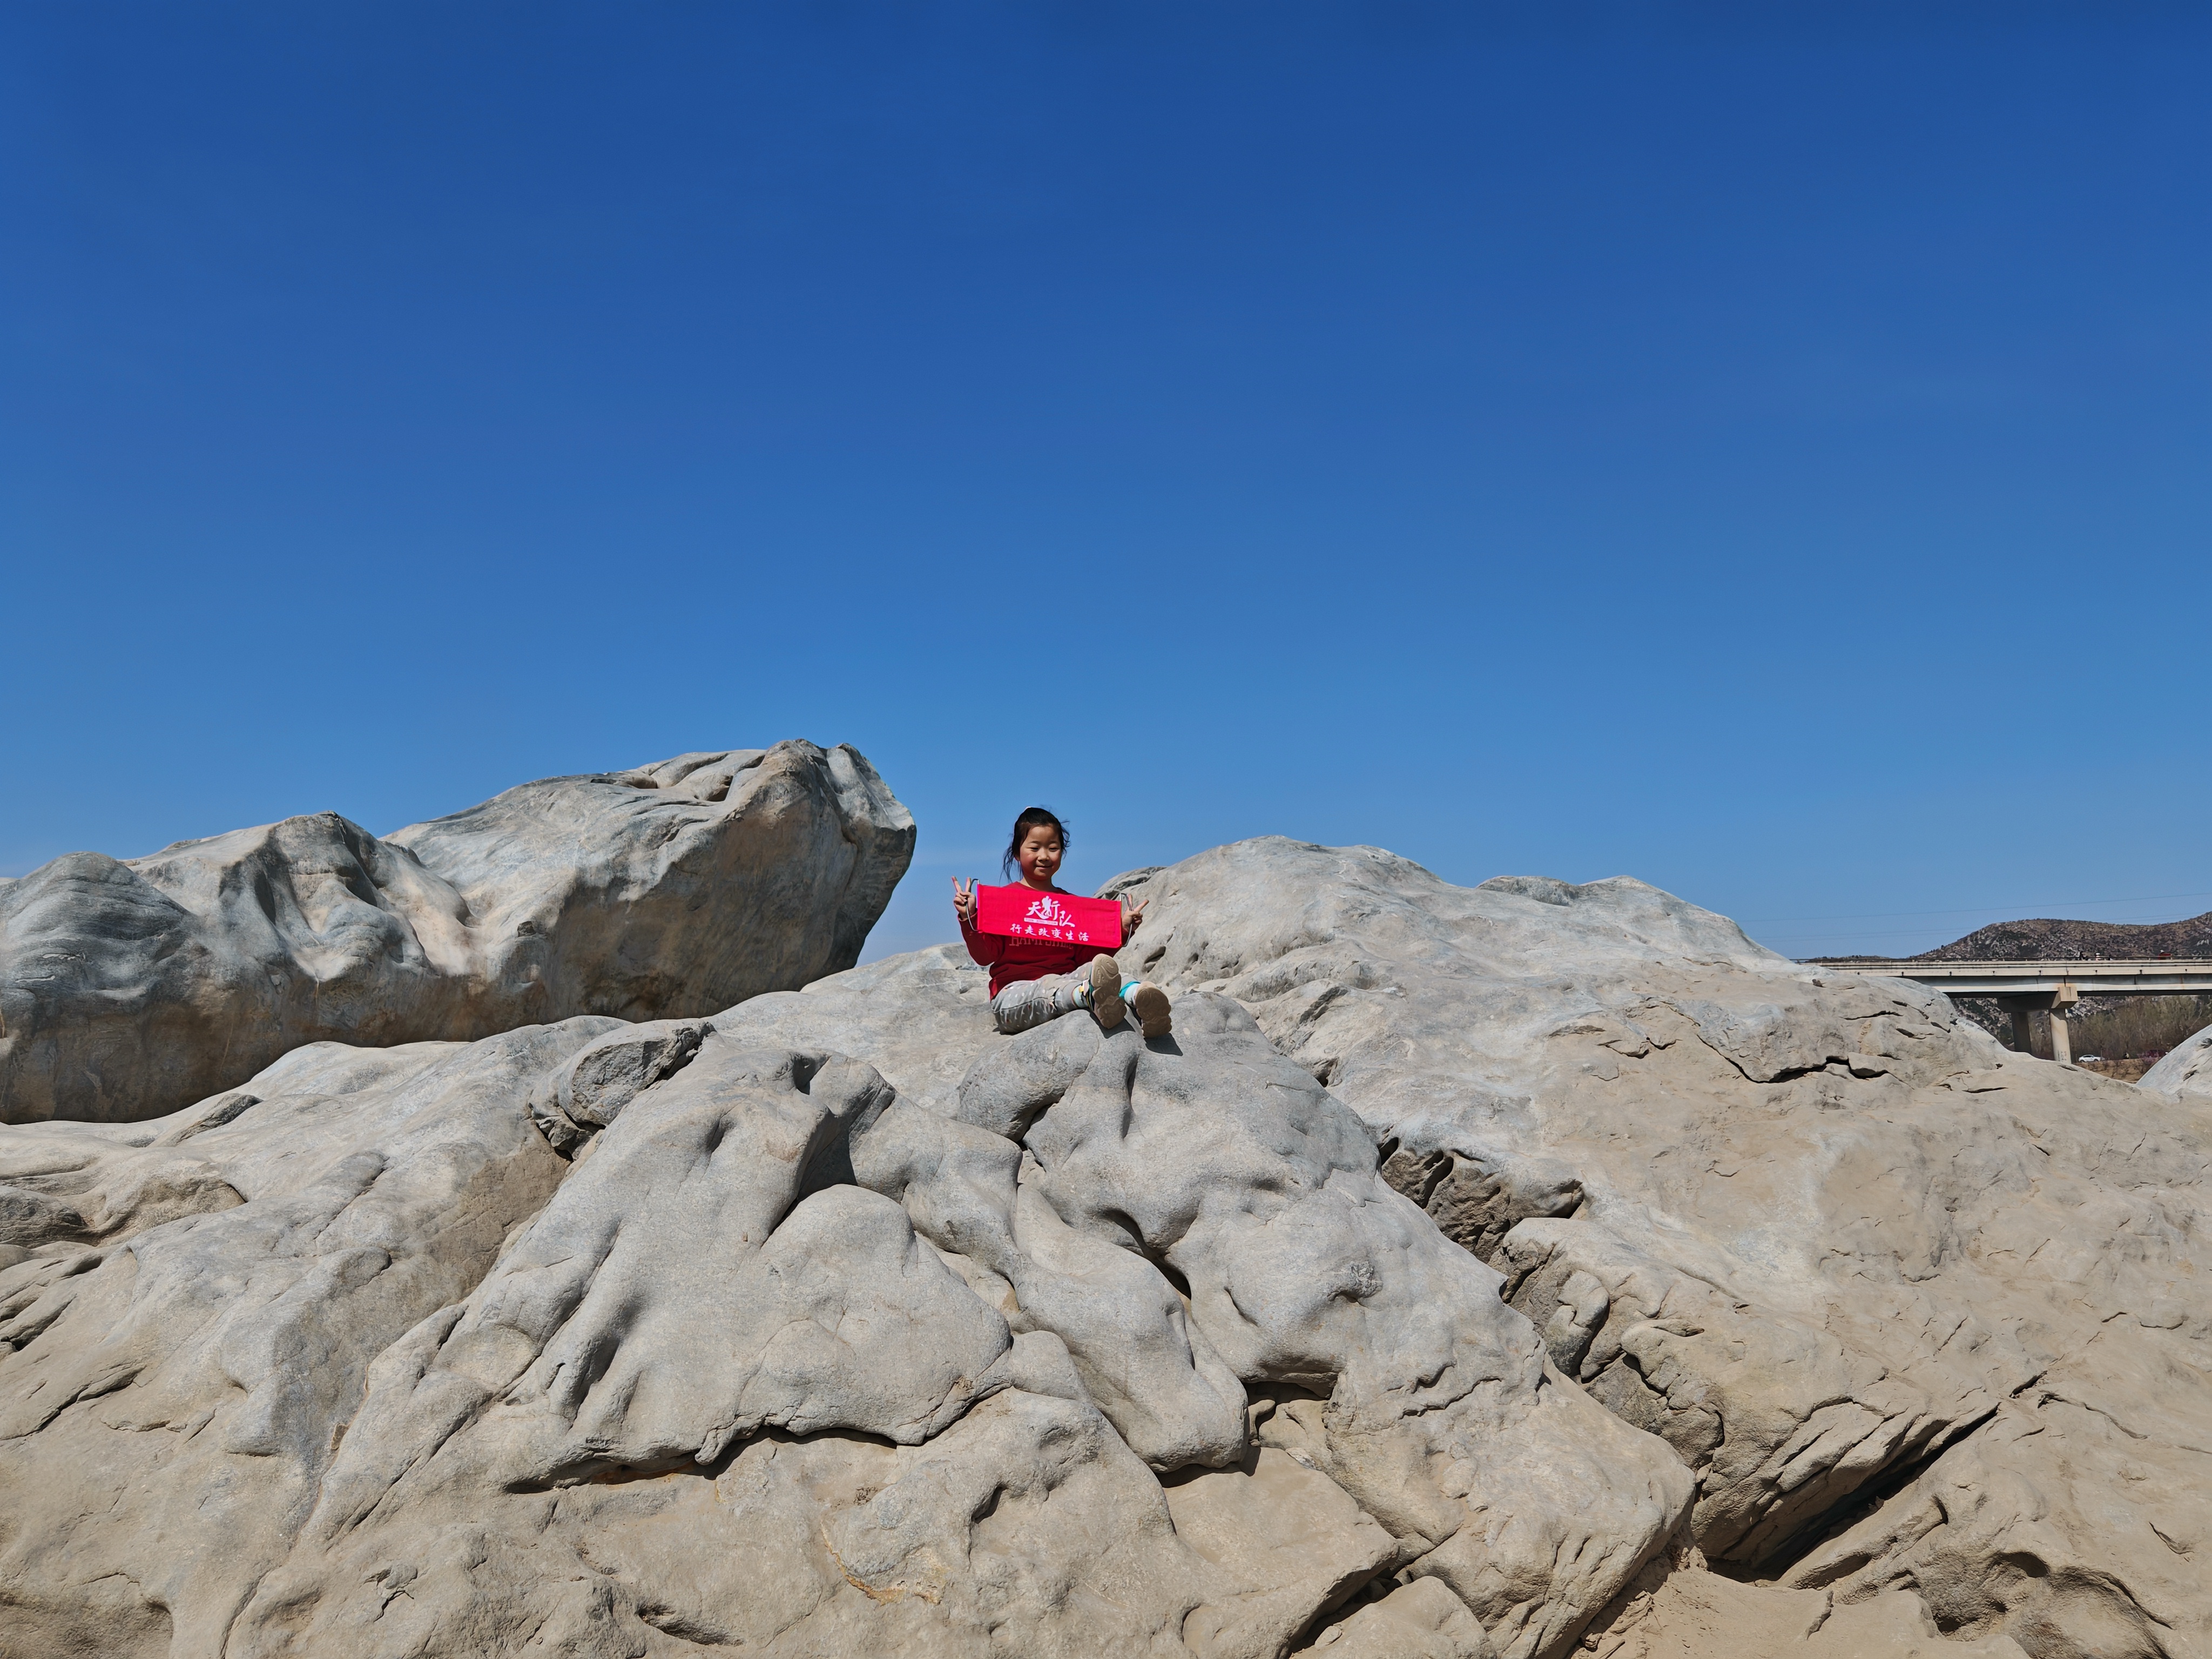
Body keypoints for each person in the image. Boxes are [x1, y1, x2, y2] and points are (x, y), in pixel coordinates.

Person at [954, 806, 1174, 1039]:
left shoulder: (1070, 905)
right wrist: (970, 917)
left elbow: (1082, 958)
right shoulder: (1004, 902)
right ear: (1017, 852)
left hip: (1065, 979)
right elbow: (985, 956)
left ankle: (1140, 998)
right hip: (1013, 996)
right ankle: (1089, 996)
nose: (1044, 856)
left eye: (1053, 848)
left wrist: (1122, 929)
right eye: (1034, 848)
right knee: (1050, 987)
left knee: (1098, 972)